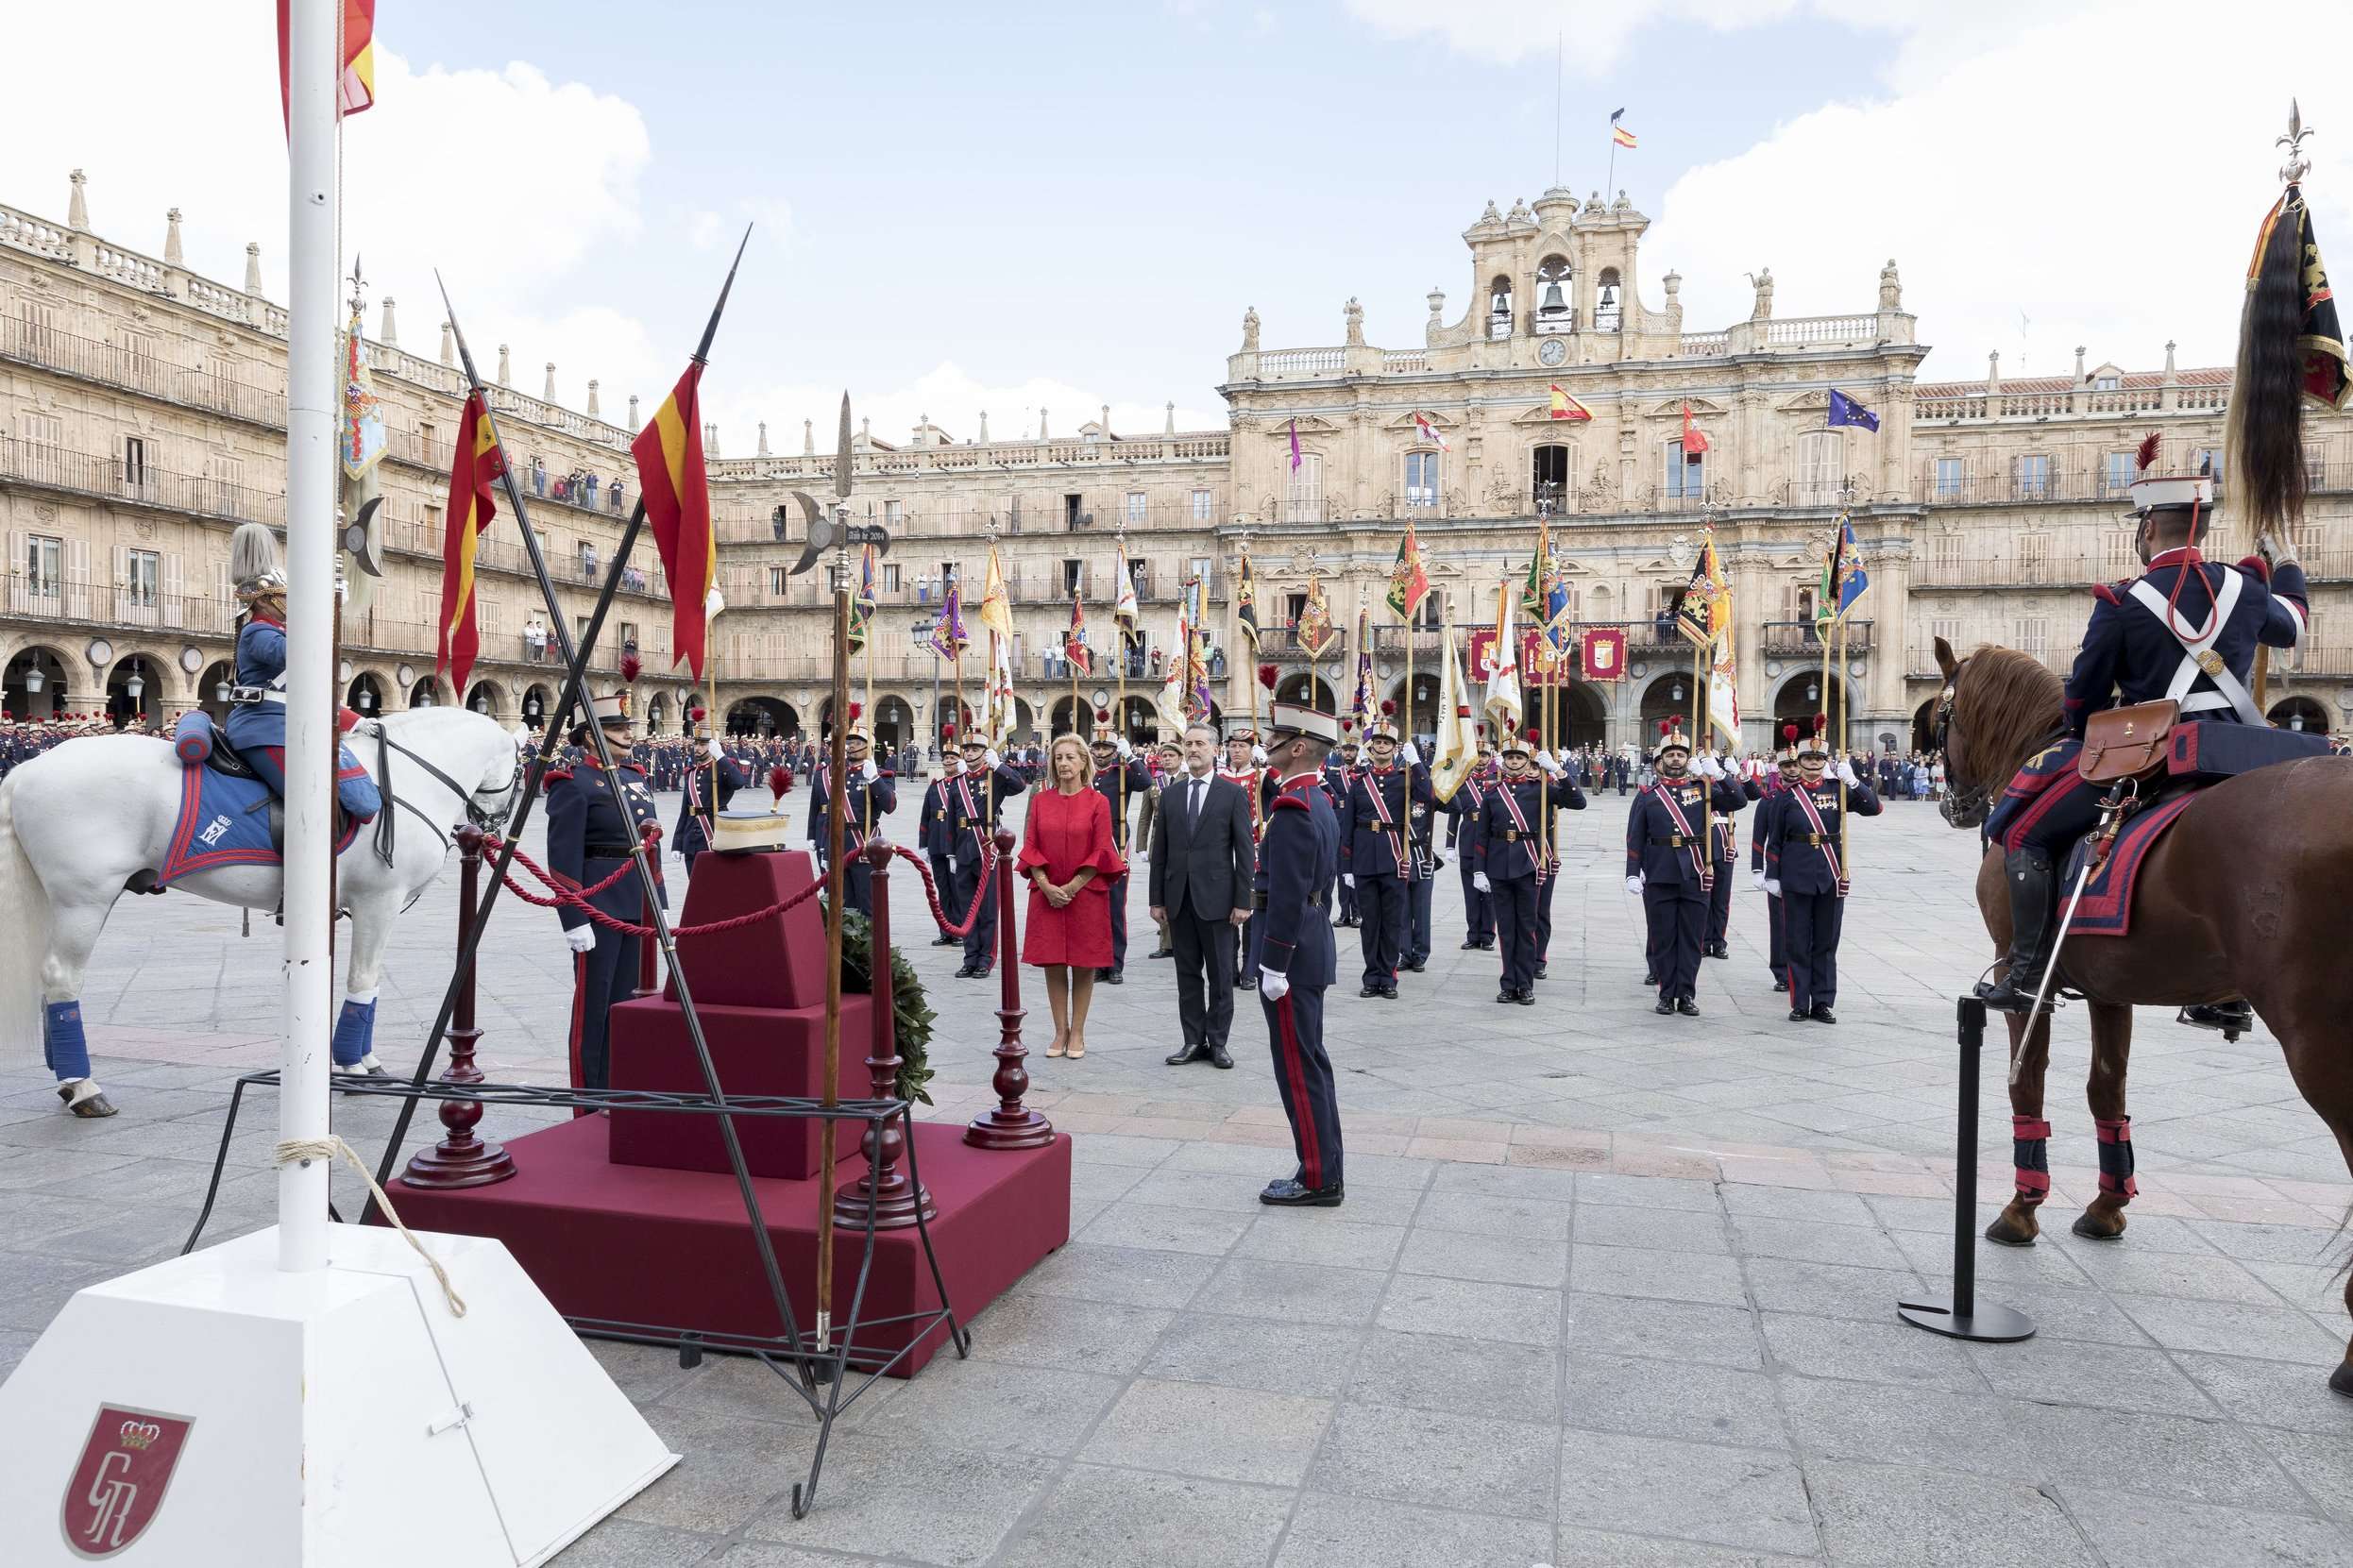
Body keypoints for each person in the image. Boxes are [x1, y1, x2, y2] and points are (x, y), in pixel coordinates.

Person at [1977, 453, 2308, 1013]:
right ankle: (2226, 995)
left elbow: (2082, 701)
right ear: (2201, 529)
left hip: (2153, 757)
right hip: (2239, 753)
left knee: (2025, 834)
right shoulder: (2248, 587)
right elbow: (2293, 624)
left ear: (2149, 528)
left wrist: (2092, 723)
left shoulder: (2122, 601)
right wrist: (2290, 563)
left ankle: (2028, 973)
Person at [545, 687, 666, 1093]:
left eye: (628, 726)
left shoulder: (634, 777)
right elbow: (563, 857)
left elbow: (650, 846)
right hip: (598, 905)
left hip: (637, 901)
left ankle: (621, 1085)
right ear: (592, 737)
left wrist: (659, 902)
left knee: (628, 1002)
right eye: (617, 728)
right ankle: (590, 1095)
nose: (629, 734)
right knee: (595, 1005)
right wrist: (573, 917)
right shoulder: (573, 783)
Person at [1255, 694, 1345, 1206]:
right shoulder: (1315, 799)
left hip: (1291, 954)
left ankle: (1317, 1179)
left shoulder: (1293, 808)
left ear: (1299, 747)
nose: (1267, 743)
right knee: (1311, 1062)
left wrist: (1273, 963)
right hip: (1312, 945)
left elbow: (1288, 894)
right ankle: (1323, 1166)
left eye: (1277, 738)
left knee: (1298, 1068)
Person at [1150, 720, 1256, 1070]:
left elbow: (1244, 851)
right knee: (1187, 975)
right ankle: (1193, 1040)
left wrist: (1243, 900)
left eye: (1200, 744)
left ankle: (1219, 1041)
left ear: (1214, 749)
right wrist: (1156, 899)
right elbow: (1161, 850)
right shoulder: (1172, 794)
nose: (1193, 749)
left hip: (1219, 901)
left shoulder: (1232, 793)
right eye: (1188, 743)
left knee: (1222, 976)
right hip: (1179, 899)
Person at [1626, 717, 1745, 1017]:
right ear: (1660, 761)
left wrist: (1716, 774)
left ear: (1687, 760)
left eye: (1680, 754)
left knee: (1692, 939)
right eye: (1670, 755)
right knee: (1664, 937)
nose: (1676, 759)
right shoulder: (1648, 797)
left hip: (1696, 872)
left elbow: (1739, 800)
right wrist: (1632, 872)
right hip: (1660, 873)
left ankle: (1687, 994)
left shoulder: (1704, 790)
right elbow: (1635, 837)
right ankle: (1667, 994)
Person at [1762, 728, 1880, 1023]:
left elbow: (1874, 808)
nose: (1814, 763)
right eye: (1808, 758)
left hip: (1830, 873)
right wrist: (1772, 875)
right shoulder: (1785, 796)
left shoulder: (1837, 789)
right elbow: (1775, 839)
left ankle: (1823, 1002)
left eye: (1819, 758)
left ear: (1825, 762)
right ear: (1800, 762)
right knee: (1797, 942)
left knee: (1826, 944)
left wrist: (1854, 782)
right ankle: (1801, 1002)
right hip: (1796, 874)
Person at [1021, 733, 1124, 1059]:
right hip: (1046, 893)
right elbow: (1030, 845)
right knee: (1052, 962)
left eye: (1070, 757)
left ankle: (1077, 1031)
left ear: (1083, 762)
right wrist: (1046, 885)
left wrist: (1072, 887)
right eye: (1058, 758)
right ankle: (1059, 1030)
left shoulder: (1098, 802)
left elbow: (1102, 849)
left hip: (1086, 893)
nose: (1063, 763)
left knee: (1083, 963)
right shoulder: (1041, 801)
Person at [1473, 732, 1583, 1003]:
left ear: (1527, 761)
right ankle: (1508, 983)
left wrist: (1557, 770)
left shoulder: (1541, 790)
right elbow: (1482, 835)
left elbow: (1578, 802)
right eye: (1510, 757)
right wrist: (1479, 870)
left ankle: (1525, 984)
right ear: (1503, 761)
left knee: (1526, 927)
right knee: (1506, 929)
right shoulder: (1493, 793)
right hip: (1499, 865)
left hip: (1528, 865)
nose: (1514, 762)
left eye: (1519, 758)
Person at [1335, 702, 1431, 1000]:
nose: (1381, 747)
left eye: (1387, 743)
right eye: (1377, 742)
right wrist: (1347, 867)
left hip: (1394, 859)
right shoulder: (1359, 782)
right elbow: (1348, 826)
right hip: (1364, 860)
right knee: (1370, 924)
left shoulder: (1405, 779)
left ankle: (1388, 978)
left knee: (1392, 923)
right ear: (1371, 747)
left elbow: (1429, 796)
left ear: (1394, 748)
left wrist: (1417, 764)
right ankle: (1371, 977)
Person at [949, 728, 1027, 979]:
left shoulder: (994, 777)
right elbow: (951, 820)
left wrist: (1000, 766)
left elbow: (1019, 785)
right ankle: (970, 957)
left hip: (986, 847)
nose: (970, 754)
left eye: (976, 750)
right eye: (968, 750)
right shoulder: (957, 783)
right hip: (963, 848)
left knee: (988, 909)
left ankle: (985, 959)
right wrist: (951, 853)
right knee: (967, 908)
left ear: (985, 753)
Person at [805, 705, 896, 916]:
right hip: (838, 841)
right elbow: (824, 813)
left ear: (869, 747)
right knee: (841, 904)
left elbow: (890, 806)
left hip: (863, 841)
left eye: (858, 742)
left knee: (867, 901)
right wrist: (822, 845)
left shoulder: (882, 774)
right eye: (849, 742)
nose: (851, 746)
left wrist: (874, 779)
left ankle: (870, 938)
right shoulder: (834, 774)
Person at [1088, 714, 1155, 985]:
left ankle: (1115, 964)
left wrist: (1132, 757)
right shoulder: (1085, 774)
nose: (1101, 752)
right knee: (1092, 910)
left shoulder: (1123, 773)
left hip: (1116, 843)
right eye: (1098, 747)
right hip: (1089, 845)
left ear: (1115, 751)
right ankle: (1097, 962)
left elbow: (1146, 782)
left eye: (1107, 748)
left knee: (1114, 907)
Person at [1748, 728, 1804, 992]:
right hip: (1778, 868)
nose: (1792, 770)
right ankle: (1782, 971)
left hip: (1806, 866)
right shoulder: (1769, 800)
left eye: (1795, 765)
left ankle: (1802, 970)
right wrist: (1757, 869)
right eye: (1787, 766)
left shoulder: (1813, 795)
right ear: (1778, 769)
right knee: (1780, 923)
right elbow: (1759, 837)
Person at [671, 707, 746, 875]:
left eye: (703, 744)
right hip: (691, 838)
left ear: (712, 746)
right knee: (694, 884)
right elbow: (685, 812)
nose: (697, 748)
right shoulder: (691, 774)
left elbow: (739, 782)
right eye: (696, 743)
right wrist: (677, 843)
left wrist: (721, 757)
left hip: (714, 833)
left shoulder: (722, 769)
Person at [1441, 734, 1498, 950]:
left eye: (1484, 755)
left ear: (1490, 757)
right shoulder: (1462, 782)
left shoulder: (1497, 780)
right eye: (1477, 755)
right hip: (1468, 840)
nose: (1481, 759)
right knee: (1471, 892)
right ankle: (1473, 934)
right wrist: (1449, 844)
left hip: (1492, 843)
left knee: (1489, 892)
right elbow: (1454, 814)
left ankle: (1488, 936)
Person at [1138, 738, 1185, 958]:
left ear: (1180, 758)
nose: (1167, 759)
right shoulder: (1154, 783)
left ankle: (1182, 939)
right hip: (1158, 843)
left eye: (1171, 756)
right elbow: (1144, 817)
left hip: (1182, 843)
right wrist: (1141, 845)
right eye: (1164, 756)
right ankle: (1167, 944)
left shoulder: (1188, 780)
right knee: (1161, 891)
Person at [919, 744, 965, 946]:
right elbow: (925, 816)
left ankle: (959, 930)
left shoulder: (964, 785)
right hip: (937, 845)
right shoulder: (935, 787)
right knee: (943, 889)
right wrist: (923, 844)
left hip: (956, 847)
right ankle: (945, 930)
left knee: (957, 889)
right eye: (945, 758)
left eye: (953, 758)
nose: (948, 761)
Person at [1327, 733, 1361, 927]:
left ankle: (1357, 912)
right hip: (1340, 827)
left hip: (1357, 827)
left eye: (1351, 750)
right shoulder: (1333, 773)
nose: (1348, 753)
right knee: (1341, 872)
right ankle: (1344, 913)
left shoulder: (1364, 772)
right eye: (1345, 750)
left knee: (1356, 870)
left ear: (1357, 752)